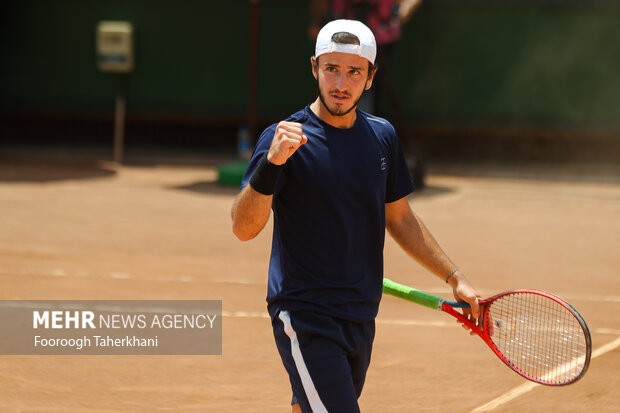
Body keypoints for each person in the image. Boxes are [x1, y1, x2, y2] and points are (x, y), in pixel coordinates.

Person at [231, 19, 480, 413]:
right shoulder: (283, 137)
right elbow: (244, 228)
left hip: (361, 314)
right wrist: (272, 163)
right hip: (305, 314)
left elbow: (399, 218)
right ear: (314, 68)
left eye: (354, 72)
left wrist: (456, 278)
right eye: (332, 69)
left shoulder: (382, 137)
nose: (341, 83)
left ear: (370, 77)